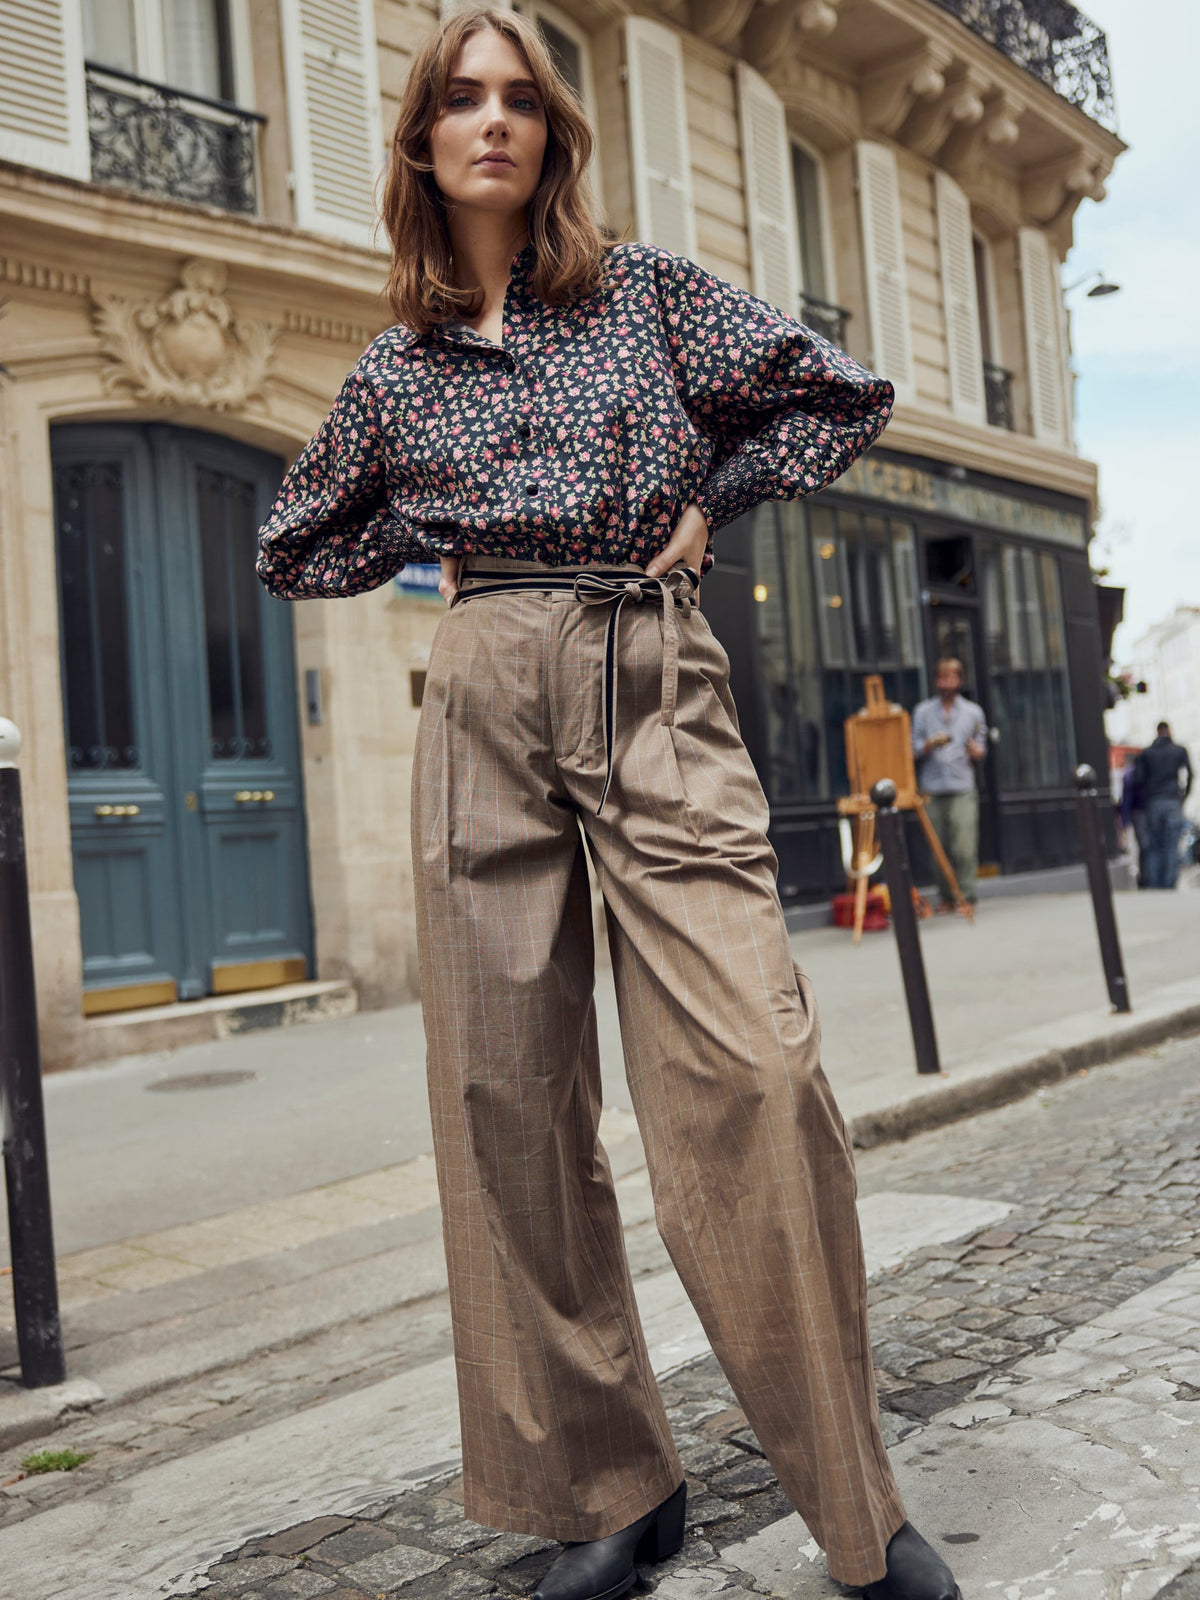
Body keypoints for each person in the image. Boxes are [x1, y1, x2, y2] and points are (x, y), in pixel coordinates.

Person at [255, 12, 961, 1599]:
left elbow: (840, 397)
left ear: (553, 133)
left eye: (520, 97)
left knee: (756, 1069)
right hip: (486, 673)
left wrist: (709, 500)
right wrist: (447, 557)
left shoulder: (642, 295)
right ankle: (608, 1488)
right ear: (423, 143)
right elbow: (297, 543)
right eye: (461, 100)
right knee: (508, 1104)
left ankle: (857, 1508)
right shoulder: (392, 371)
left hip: (649, 667)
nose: (492, 122)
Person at [911, 660, 987, 913]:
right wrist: (928, 745)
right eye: (942, 678)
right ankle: (946, 898)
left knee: (964, 845)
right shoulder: (923, 712)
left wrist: (976, 751)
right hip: (932, 787)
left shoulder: (973, 712)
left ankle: (966, 897)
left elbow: (981, 745)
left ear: (960, 680)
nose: (946, 683)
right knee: (938, 848)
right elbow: (910, 749)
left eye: (951, 678)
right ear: (936, 681)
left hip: (962, 785)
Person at [1135, 722, 1193, 889]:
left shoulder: (1147, 754)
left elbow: (1139, 780)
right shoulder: (1179, 751)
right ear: (1168, 731)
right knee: (1171, 845)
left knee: (1154, 846)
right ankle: (1169, 884)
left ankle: (1154, 884)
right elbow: (1190, 775)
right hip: (1172, 800)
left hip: (1154, 801)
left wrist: (1149, 795)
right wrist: (1183, 797)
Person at [1119, 749, 1148, 886]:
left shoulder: (1130, 773)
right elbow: (1127, 799)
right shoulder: (1131, 774)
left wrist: (1125, 822)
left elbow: (1126, 800)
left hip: (1140, 813)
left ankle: (1146, 877)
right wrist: (1125, 822)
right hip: (1140, 812)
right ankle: (1145, 878)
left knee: (1144, 846)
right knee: (1145, 846)